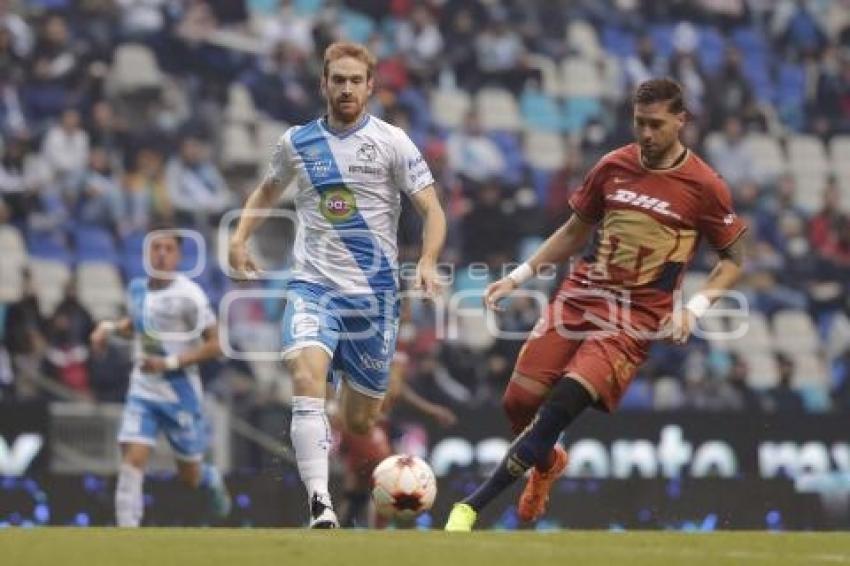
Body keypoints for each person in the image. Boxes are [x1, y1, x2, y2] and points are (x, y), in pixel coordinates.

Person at [444, 78, 747, 531]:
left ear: (681, 121)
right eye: (639, 122)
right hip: (580, 295)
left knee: (561, 403)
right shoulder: (612, 166)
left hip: (634, 318)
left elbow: (734, 260)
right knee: (518, 402)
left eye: (656, 124)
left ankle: (470, 506)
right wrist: (519, 276)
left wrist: (693, 309)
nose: (646, 134)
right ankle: (547, 463)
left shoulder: (705, 186)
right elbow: (573, 232)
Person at [228, 41, 447, 528]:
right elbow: (266, 190)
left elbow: (432, 209)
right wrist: (240, 237)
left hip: (374, 301)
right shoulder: (296, 142)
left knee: (358, 422)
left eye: (355, 80)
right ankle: (319, 505)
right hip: (313, 288)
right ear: (323, 83)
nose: (346, 88)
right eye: (338, 79)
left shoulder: (393, 142)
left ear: (370, 86)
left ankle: (342, 484)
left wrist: (429, 260)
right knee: (306, 381)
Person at [90, 229, 231, 527]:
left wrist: (168, 362)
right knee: (132, 459)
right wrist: (109, 328)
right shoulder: (137, 289)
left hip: (179, 395)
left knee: (190, 476)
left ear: (178, 256)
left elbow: (216, 345)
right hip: (143, 391)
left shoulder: (189, 295)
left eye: (168, 248)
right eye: (156, 248)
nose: (161, 254)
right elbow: (138, 324)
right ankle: (127, 536)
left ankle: (211, 477)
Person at [336, 350, 457, 528]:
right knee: (387, 476)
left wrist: (432, 410)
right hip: (364, 424)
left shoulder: (397, 343)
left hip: (375, 425)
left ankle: (339, 527)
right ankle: (380, 530)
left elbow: (398, 388)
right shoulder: (375, 336)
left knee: (358, 487)